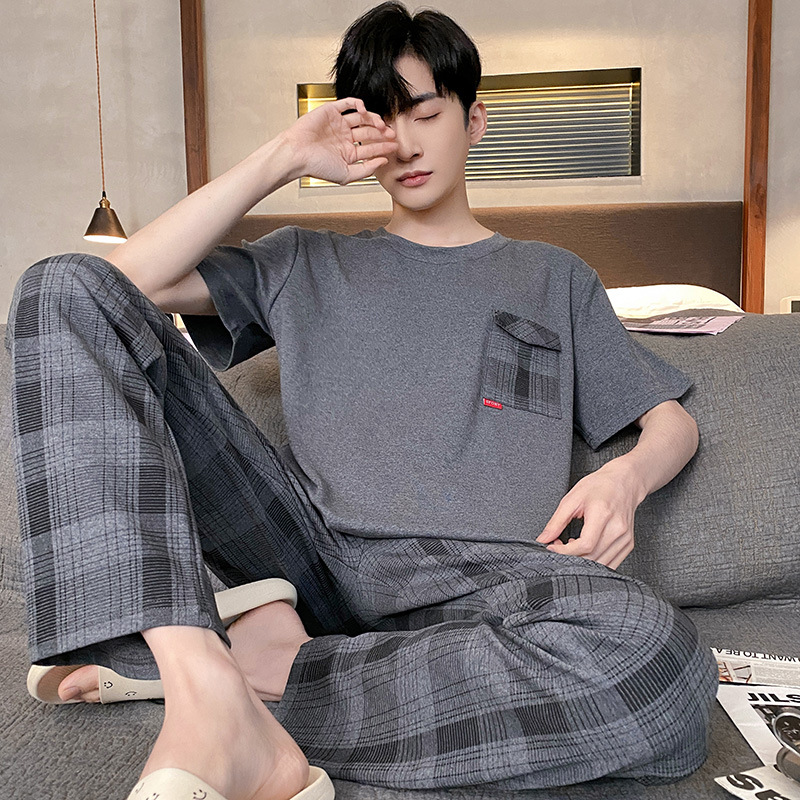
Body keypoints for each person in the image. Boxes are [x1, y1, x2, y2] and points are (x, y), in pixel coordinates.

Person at [7, 3, 718, 799]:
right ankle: (212, 667)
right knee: (58, 285)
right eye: (381, 121)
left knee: (659, 658)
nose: (405, 145)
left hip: (485, 583)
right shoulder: (302, 260)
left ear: (475, 119)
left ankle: (240, 671)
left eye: (426, 114)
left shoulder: (554, 277)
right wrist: (283, 157)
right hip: (305, 555)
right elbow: (112, 289)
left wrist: (624, 479)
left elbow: (672, 423)